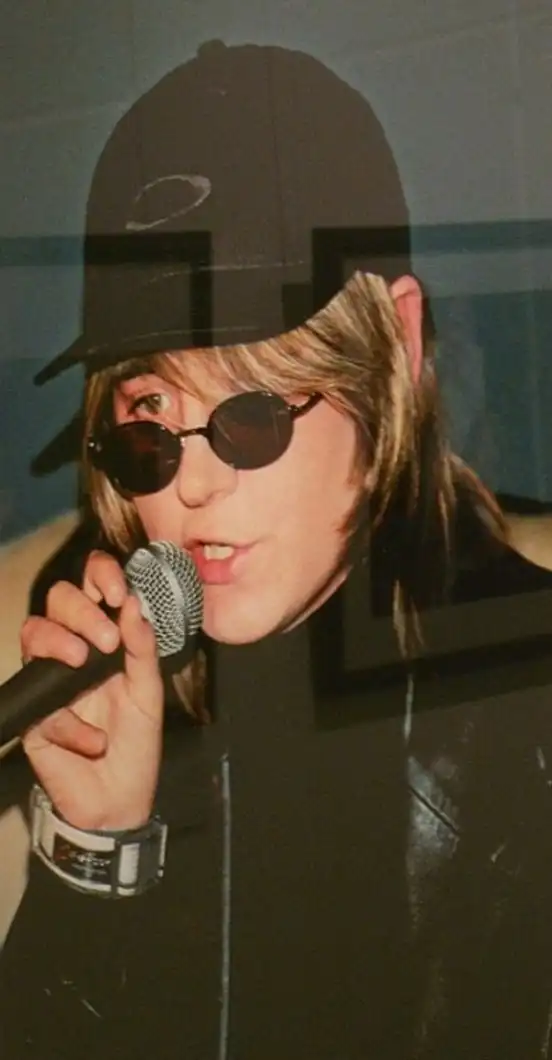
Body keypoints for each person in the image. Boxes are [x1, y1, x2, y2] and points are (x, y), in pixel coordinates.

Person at [3, 41, 552, 1060]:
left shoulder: (523, 678)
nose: (192, 486)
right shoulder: (102, 648)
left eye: (251, 414)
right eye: (149, 420)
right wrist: (97, 849)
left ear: (397, 348)